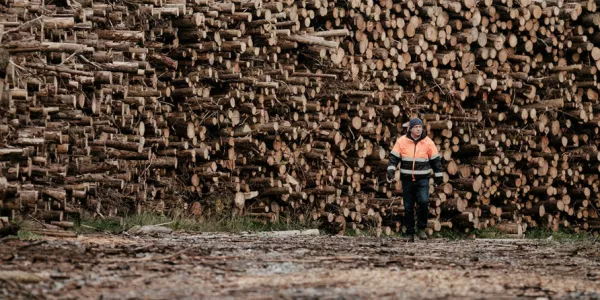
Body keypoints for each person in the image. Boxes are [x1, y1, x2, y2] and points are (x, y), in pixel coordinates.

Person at [386, 118, 443, 242]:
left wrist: (439, 176)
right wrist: (390, 172)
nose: (418, 129)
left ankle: (421, 229)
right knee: (408, 207)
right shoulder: (401, 141)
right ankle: (410, 232)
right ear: (410, 128)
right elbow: (393, 158)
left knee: (423, 202)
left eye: (420, 127)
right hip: (407, 180)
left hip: (423, 179)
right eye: (416, 127)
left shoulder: (428, 142)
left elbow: (436, 161)